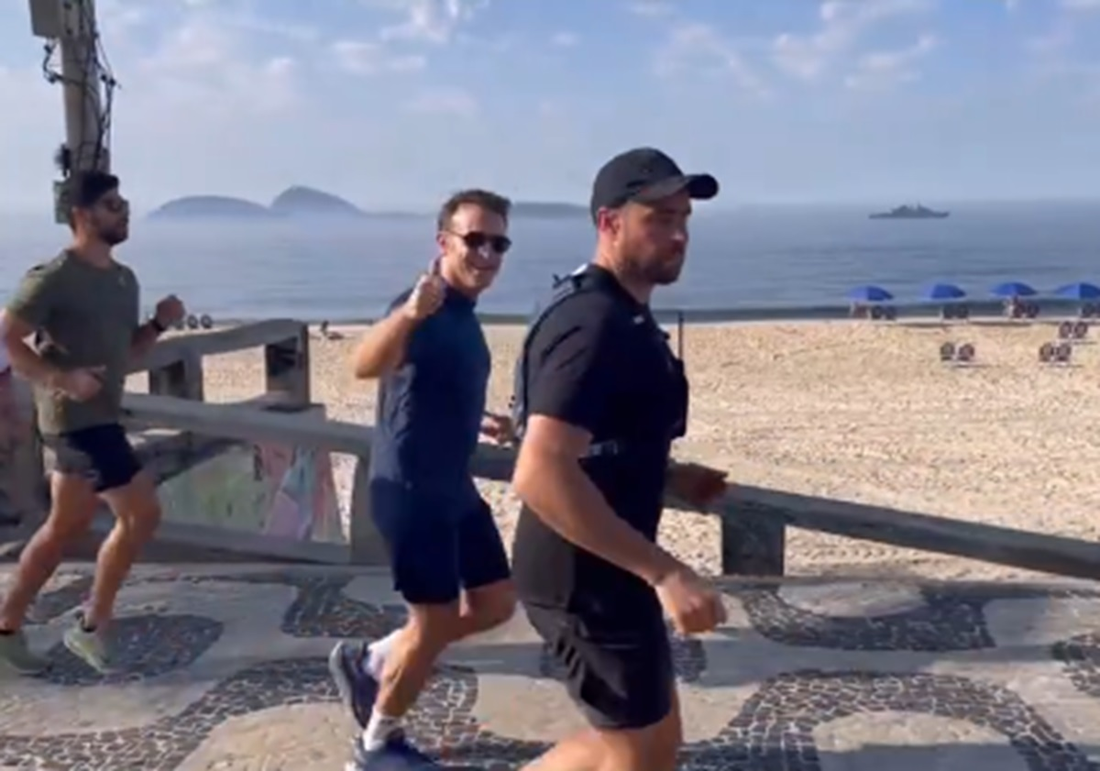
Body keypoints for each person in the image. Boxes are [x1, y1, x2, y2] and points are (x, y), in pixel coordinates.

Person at [509, 147, 732, 771]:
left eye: (684, 217)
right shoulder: (595, 324)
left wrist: (664, 475)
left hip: (604, 565)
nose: (679, 233)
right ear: (610, 223)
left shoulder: (616, 311)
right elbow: (541, 470)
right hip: (585, 576)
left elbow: (595, 440)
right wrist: (666, 574)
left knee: (645, 746)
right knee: (640, 754)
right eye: (659, 217)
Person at [329, 189, 518, 768]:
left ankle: (373, 661)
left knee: (494, 604)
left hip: (453, 488)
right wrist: (408, 313)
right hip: (410, 491)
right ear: (444, 242)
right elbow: (363, 365)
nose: (486, 253)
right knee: (433, 621)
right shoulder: (424, 303)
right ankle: (378, 744)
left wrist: (483, 420)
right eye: (474, 240)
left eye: (498, 243)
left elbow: (431, 383)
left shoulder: (462, 313)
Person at [0, 170, 186, 675]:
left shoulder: (124, 280)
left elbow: (124, 353)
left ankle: (7, 626)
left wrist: (158, 324)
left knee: (65, 527)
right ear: (82, 216)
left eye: (122, 201)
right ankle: (90, 625)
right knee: (141, 514)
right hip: (75, 422)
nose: (123, 209)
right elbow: (8, 340)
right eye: (111, 204)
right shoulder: (54, 277)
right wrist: (63, 379)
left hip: (101, 415)